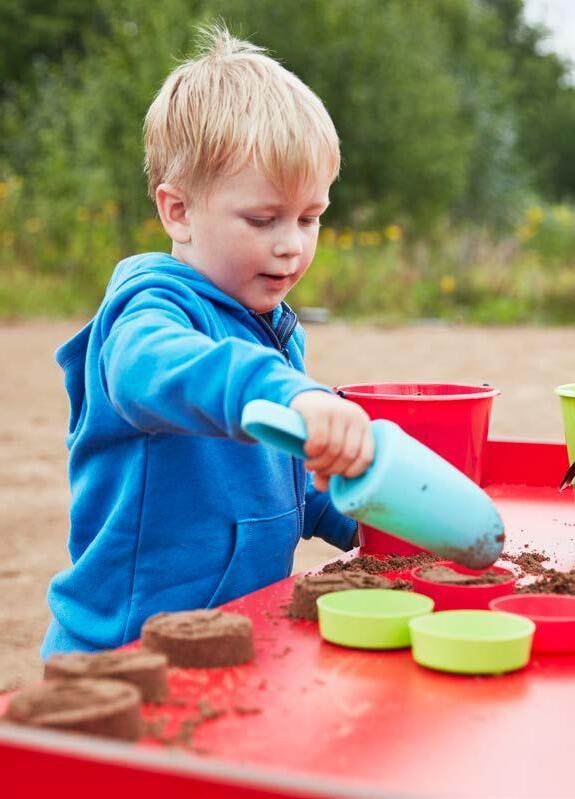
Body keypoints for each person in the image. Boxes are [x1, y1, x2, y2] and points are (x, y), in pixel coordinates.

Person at [41, 25, 374, 657]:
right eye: (263, 219)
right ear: (179, 211)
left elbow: (287, 484)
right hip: (128, 654)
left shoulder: (270, 326)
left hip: (234, 639)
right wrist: (288, 393)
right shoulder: (148, 310)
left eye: (310, 218)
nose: (291, 244)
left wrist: (364, 519)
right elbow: (155, 374)